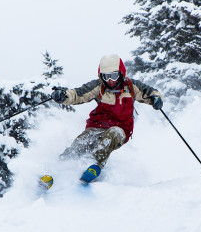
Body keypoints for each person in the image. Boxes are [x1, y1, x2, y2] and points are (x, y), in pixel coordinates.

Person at [41, 53, 163, 187]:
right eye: (106, 76)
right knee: (81, 143)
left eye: (114, 76)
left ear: (121, 74)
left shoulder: (131, 86)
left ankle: (93, 164)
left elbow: (151, 92)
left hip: (121, 128)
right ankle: (54, 172)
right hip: (97, 126)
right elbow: (78, 94)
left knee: (112, 134)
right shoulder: (99, 87)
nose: (110, 80)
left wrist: (156, 98)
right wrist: (64, 96)